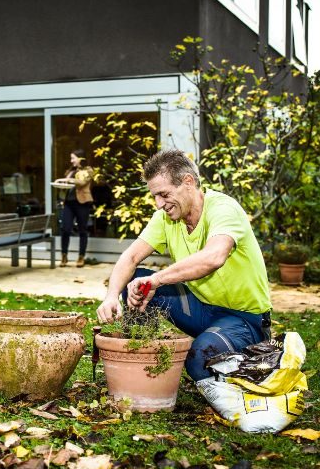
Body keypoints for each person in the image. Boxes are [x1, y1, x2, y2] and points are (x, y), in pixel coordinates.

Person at [96, 148, 271, 382]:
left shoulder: (223, 209)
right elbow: (130, 257)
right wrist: (111, 296)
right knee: (135, 282)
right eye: (155, 196)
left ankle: (257, 357)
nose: (159, 204)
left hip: (243, 319)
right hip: (201, 308)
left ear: (188, 182)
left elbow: (214, 257)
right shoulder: (166, 218)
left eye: (164, 194)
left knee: (200, 360)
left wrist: (157, 280)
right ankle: (137, 355)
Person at [58, 149, 94, 267]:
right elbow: (67, 185)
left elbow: (82, 182)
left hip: (82, 203)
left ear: (80, 158)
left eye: (73, 158)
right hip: (68, 202)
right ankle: (64, 256)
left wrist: (67, 180)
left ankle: (81, 257)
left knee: (82, 230)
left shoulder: (88, 170)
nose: (71, 160)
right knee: (65, 229)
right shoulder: (70, 171)